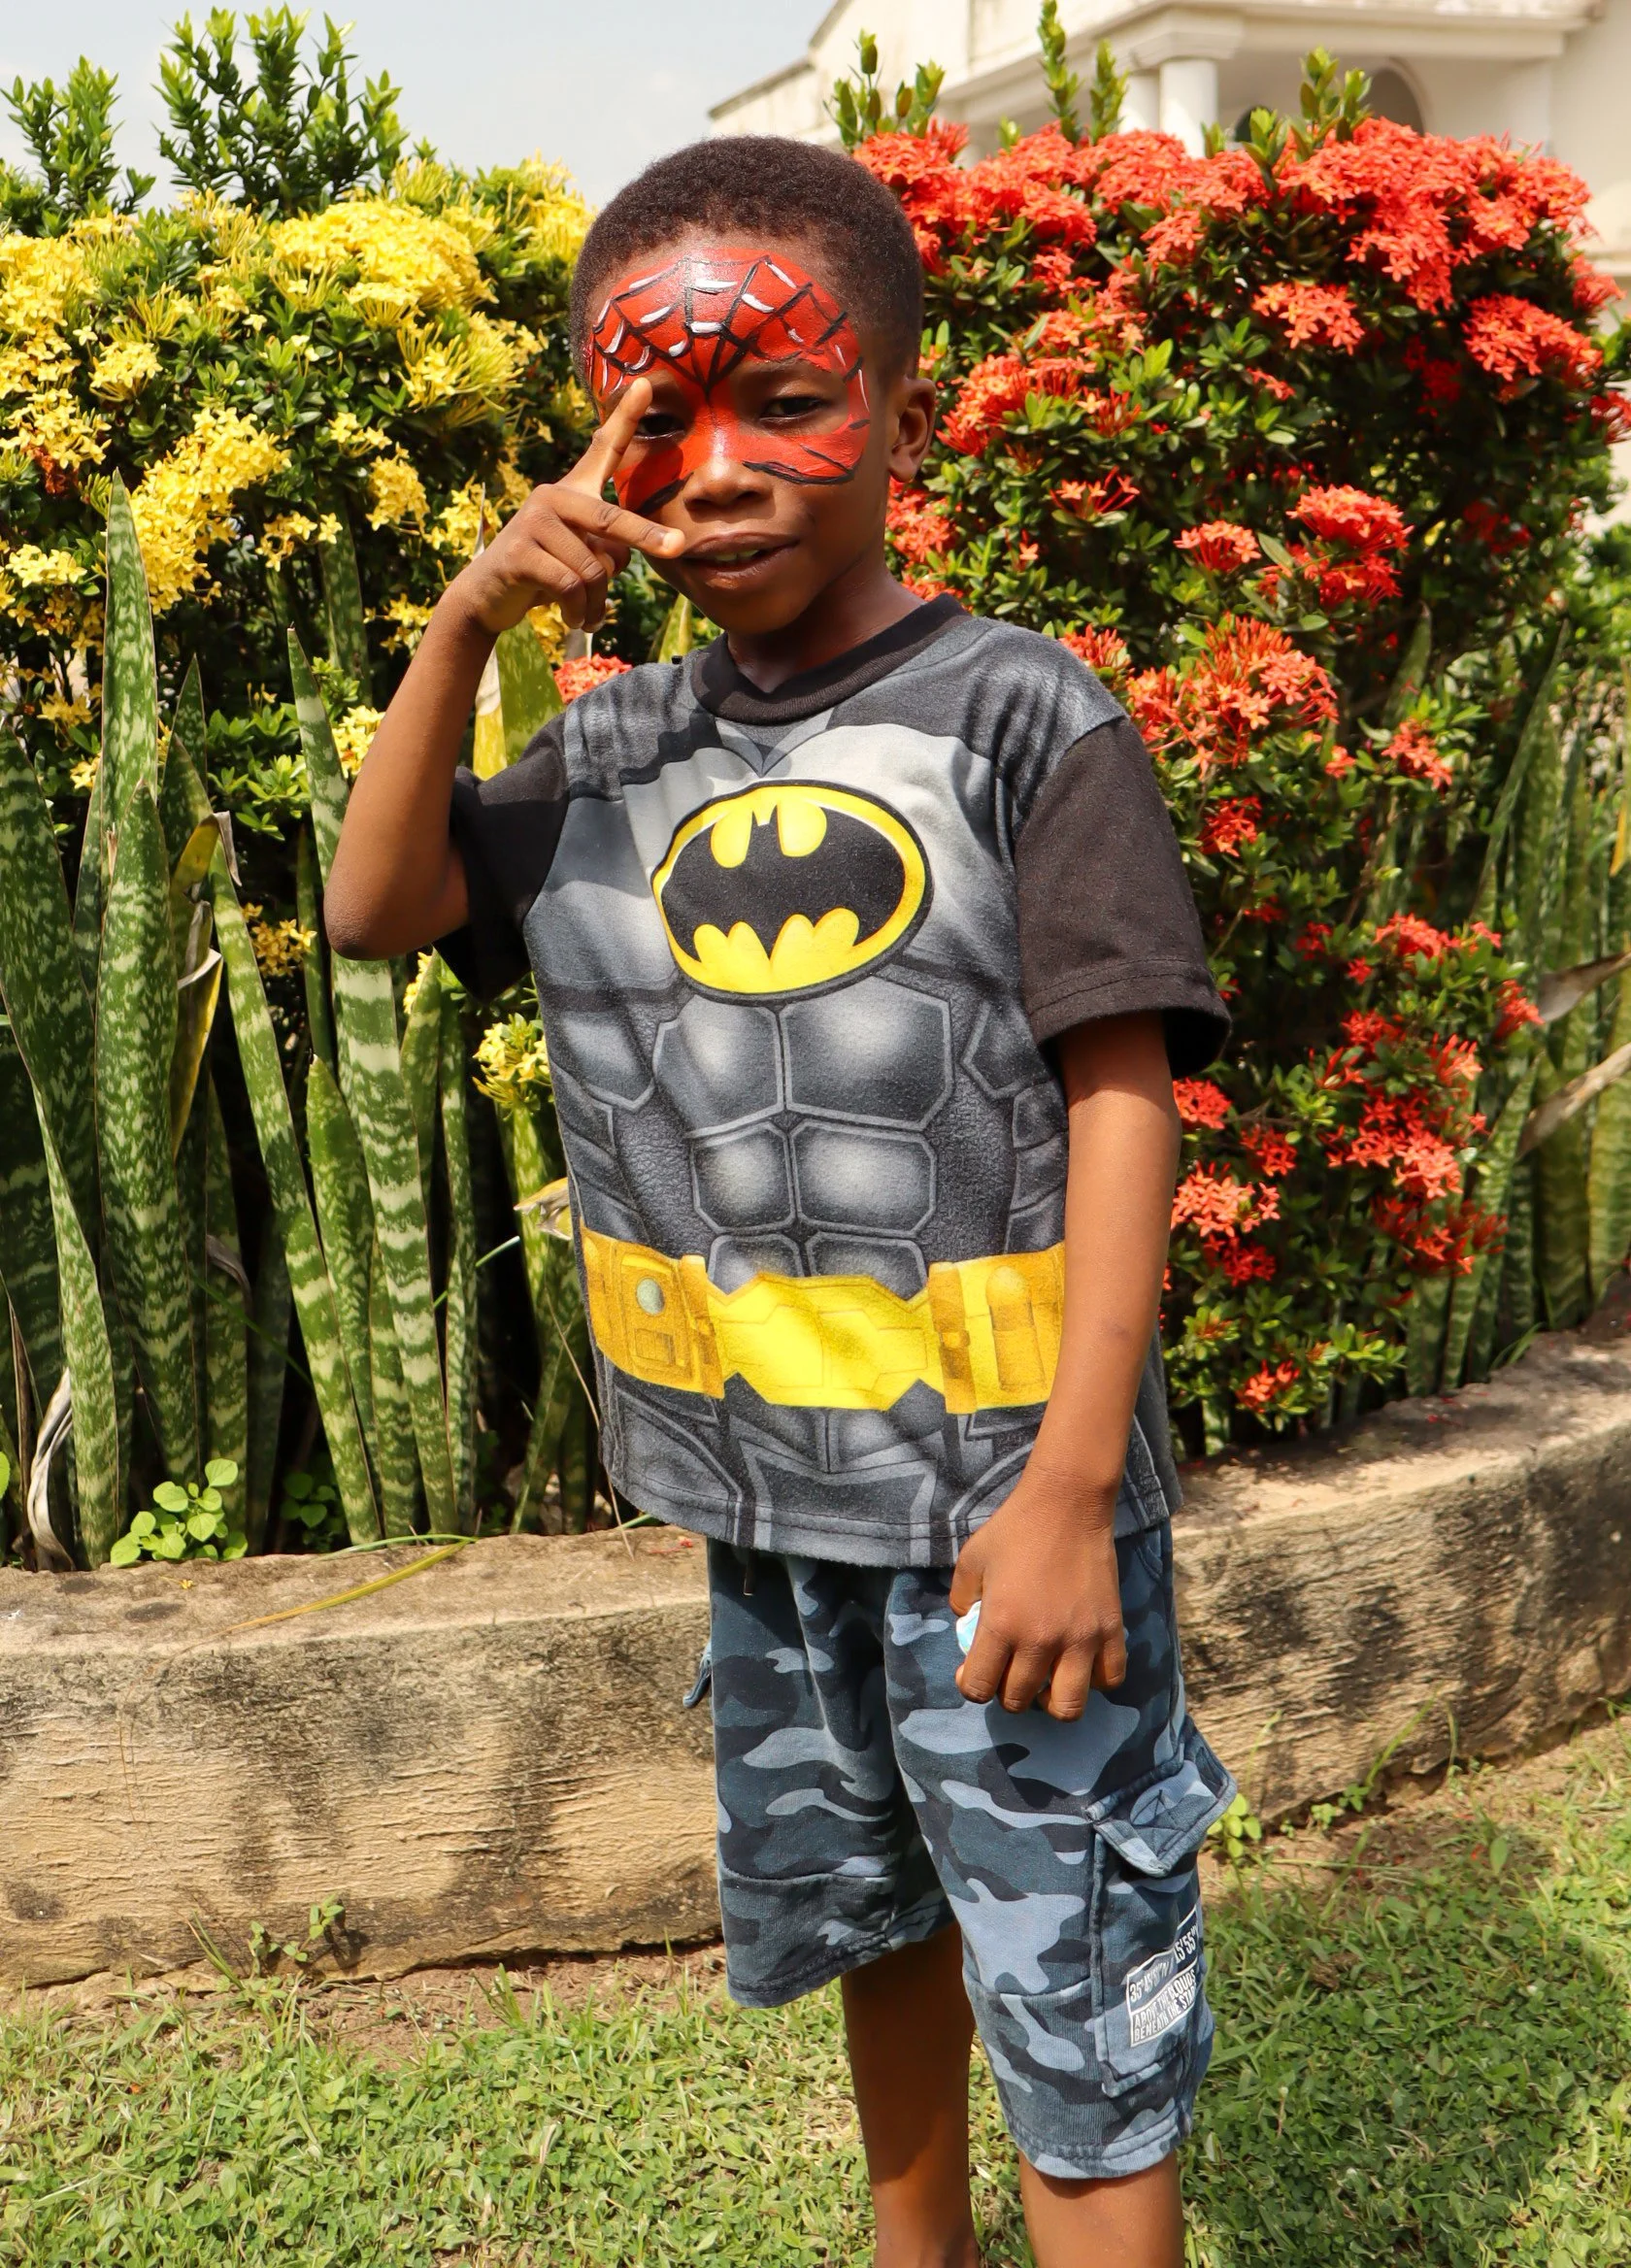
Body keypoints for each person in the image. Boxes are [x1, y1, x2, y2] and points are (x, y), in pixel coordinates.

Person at [326, 133, 1235, 2268]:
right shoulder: (611, 742)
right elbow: (379, 909)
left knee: (1079, 1982)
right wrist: (471, 611)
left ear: (905, 416)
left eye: (786, 401)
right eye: (656, 416)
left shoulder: (1019, 717)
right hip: (766, 1508)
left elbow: (1128, 1100)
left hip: (1000, 1505)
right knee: (874, 1921)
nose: (714, 468)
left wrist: (1072, 1485)